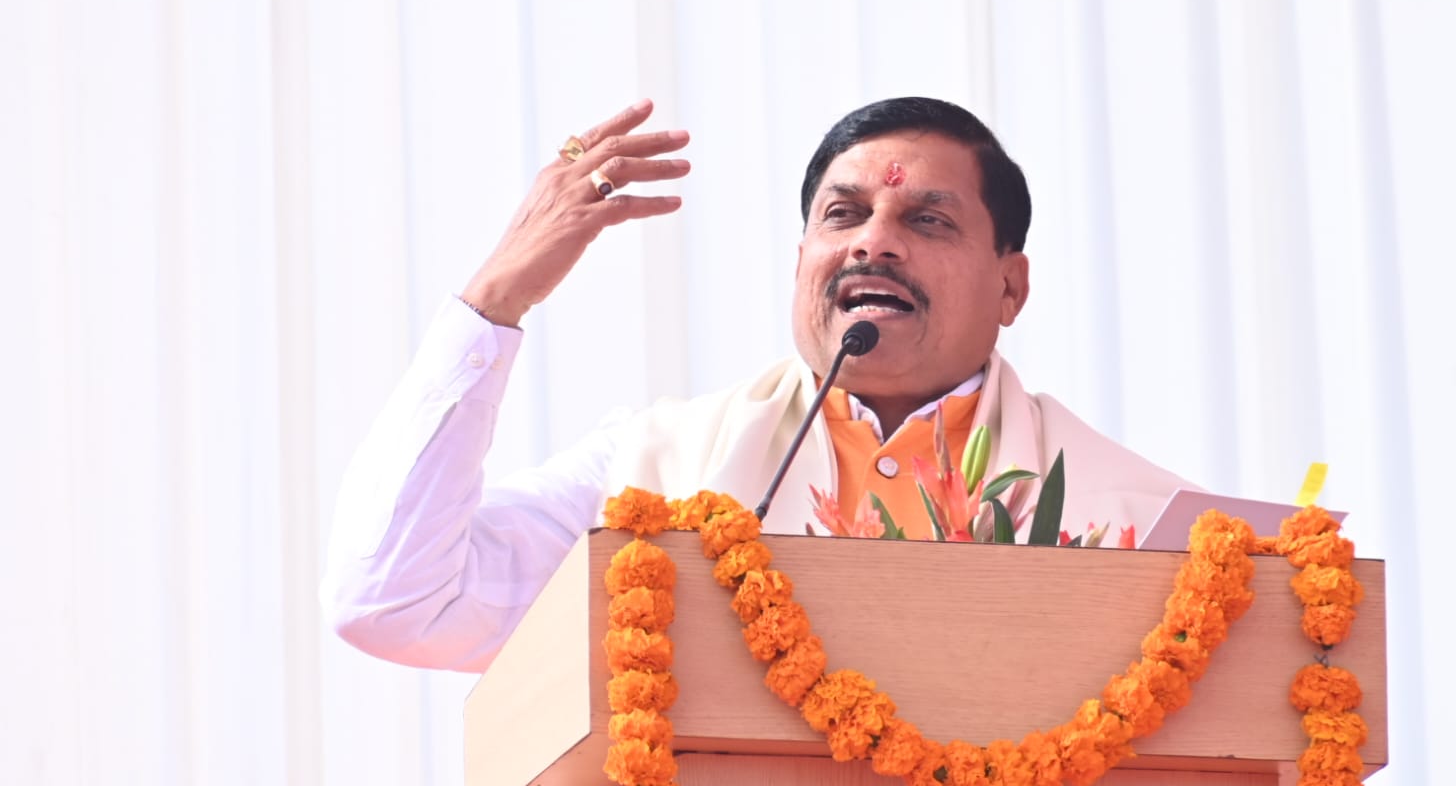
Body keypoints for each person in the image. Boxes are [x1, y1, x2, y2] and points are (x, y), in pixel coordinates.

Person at [322, 96, 1189, 672]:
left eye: (927, 220)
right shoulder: (654, 474)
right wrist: (495, 299)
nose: (872, 242)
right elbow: (395, 601)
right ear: (801, 259)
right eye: (843, 215)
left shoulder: (1141, 523)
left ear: (1009, 286)